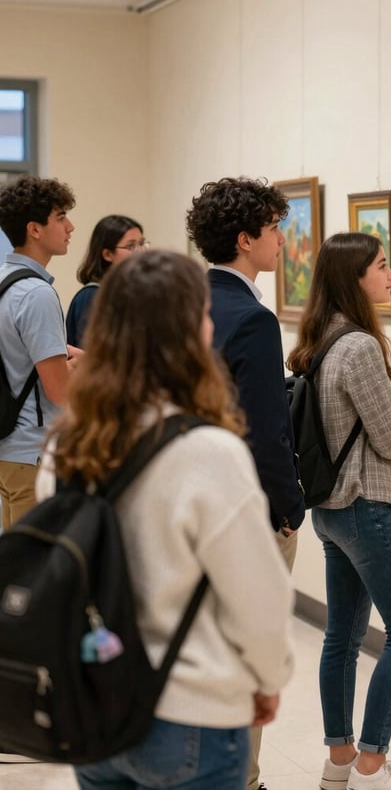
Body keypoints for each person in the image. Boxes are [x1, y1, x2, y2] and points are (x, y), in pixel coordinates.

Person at [36, 250, 295, 790]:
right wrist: (269, 678)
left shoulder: (66, 447)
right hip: (190, 711)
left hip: (96, 703)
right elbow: (258, 596)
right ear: (187, 334)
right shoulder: (209, 452)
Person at [286, 232, 391, 790]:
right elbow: (389, 440)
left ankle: (339, 759)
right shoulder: (360, 347)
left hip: (329, 509)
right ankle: (371, 764)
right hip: (364, 506)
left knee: (342, 639)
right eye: (383, 266)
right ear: (356, 276)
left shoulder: (320, 338)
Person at [186, 176, 305, 790]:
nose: (282, 240)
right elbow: (265, 430)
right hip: (244, 513)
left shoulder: (187, 304)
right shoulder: (253, 319)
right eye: (275, 228)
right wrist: (290, 509)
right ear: (244, 239)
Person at [0, 175, 81, 531]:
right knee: (35, 563)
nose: (70, 227)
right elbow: (59, 391)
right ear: (34, 229)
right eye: (61, 217)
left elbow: (17, 353)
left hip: (8, 451)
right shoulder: (36, 294)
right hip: (32, 454)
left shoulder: (4, 281)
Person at [66, 214, 146, 347]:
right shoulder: (91, 296)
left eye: (142, 244)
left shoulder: (132, 296)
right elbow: (91, 353)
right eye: (131, 246)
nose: (141, 251)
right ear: (107, 254)